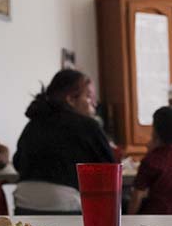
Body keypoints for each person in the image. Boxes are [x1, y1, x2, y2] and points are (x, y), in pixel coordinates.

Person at [12, 69, 115, 214]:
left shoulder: (33, 124)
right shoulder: (88, 125)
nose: (95, 103)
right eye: (89, 96)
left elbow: (18, 163)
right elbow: (110, 170)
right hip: (65, 203)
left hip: (24, 201)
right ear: (71, 99)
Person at [129, 106, 172, 214]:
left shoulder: (151, 159)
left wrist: (129, 218)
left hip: (157, 218)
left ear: (155, 131)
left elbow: (137, 195)